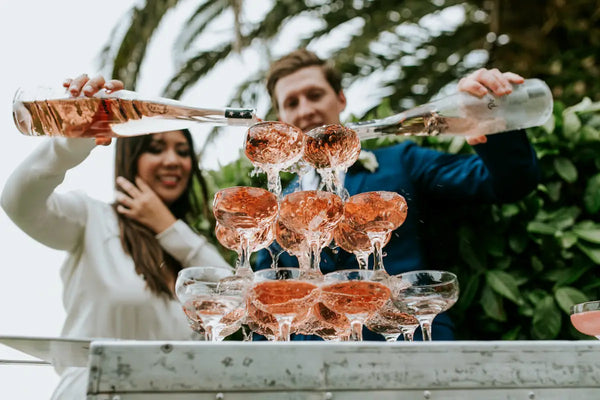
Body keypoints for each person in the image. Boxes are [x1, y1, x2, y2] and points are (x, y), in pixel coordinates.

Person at [255, 49, 540, 340]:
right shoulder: (273, 206)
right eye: (292, 103)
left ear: (340, 98)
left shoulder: (400, 162)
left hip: (413, 345)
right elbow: (265, 304)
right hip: (315, 367)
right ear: (282, 118)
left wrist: (495, 121)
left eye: (314, 95)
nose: (305, 110)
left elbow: (507, 183)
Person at [1, 75, 232, 399]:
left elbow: (233, 296)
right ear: (131, 157)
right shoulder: (92, 219)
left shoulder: (187, 248)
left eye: (182, 151)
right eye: (155, 148)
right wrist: (69, 145)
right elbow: (19, 203)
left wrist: (168, 227)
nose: (171, 160)